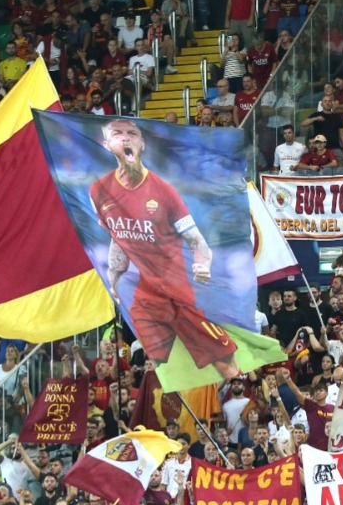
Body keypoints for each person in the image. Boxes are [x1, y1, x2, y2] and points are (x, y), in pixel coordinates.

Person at [90, 119, 241, 379]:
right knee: (158, 371)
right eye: (118, 134)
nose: (126, 139)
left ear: (142, 143)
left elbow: (197, 241)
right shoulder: (98, 191)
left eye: (132, 134)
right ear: (106, 144)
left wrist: (203, 265)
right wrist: (114, 278)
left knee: (224, 364)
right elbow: (119, 237)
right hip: (144, 294)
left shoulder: (164, 191)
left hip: (177, 290)